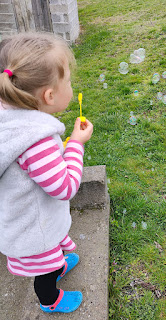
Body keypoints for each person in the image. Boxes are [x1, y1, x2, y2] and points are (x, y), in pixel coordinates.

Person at [0, 32, 93, 313]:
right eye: (68, 82)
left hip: (23, 213)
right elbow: (64, 187)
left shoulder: (9, 114)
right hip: (34, 227)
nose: (71, 86)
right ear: (49, 95)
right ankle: (50, 300)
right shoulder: (36, 142)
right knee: (45, 271)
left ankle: (58, 261)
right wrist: (75, 144)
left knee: (52, 259)